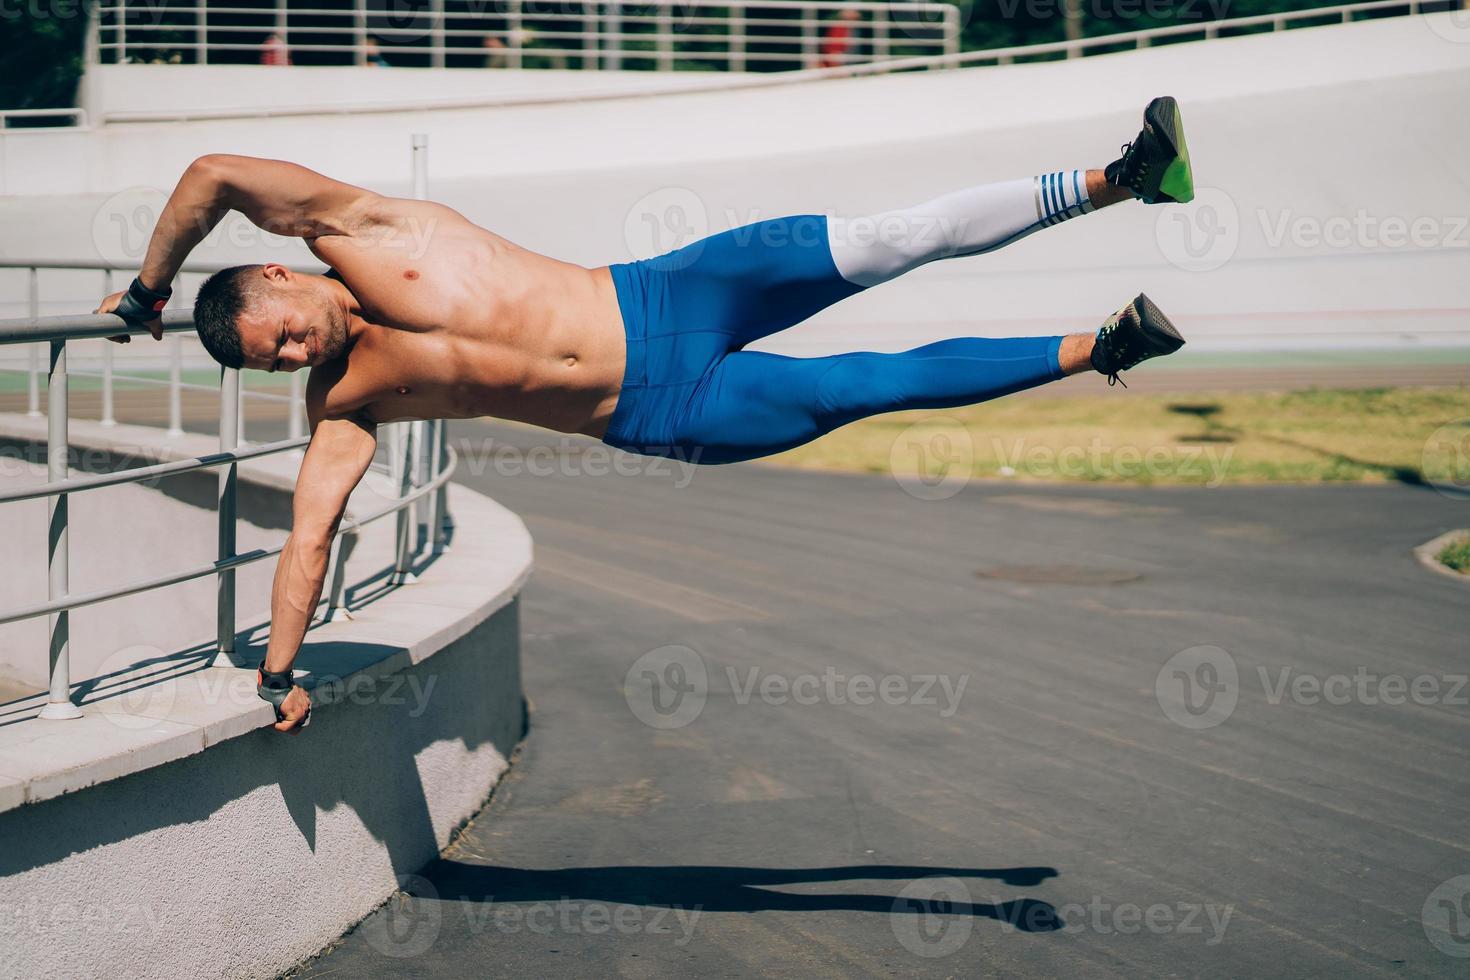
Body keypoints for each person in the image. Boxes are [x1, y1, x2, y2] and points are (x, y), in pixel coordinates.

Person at [97, 96, 1195, 734]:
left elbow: (211, 172)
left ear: (278, 280)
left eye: (281, 332)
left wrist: (148, 287)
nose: (295, 351)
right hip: (663, 405)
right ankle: (1105, 346)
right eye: (275, 361)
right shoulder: (346, 398)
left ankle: (1130, 175)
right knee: (867, 382)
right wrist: (280, 672)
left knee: (887, 240)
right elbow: (310, 535)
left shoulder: (358, 227)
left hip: (670, 288)